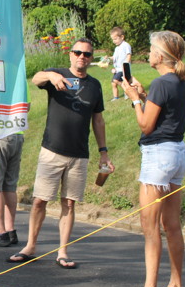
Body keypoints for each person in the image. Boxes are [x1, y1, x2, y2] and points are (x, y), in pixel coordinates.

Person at [7, 38, 112, 268]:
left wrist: (103, 152)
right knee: (39, 201)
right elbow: (36, 78)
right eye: (78, 52)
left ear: (91, 58)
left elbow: (98, 120)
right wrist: (51, 76)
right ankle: (30, 246)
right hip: (52, 150)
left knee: (69, 203)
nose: (82, 57)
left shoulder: (94, 86)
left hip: (79, 154)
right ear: (71, 54)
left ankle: (63, 251)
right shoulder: (58, 74)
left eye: (87, 54)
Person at [117, 30, 185, 287]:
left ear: (160, 56)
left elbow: (146, 125)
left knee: (150, 227)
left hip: (158, 155)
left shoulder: (162, 82)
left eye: (150, 50)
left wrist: (135, 99)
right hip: (177, 152)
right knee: (172, 225)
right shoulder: (183, 80)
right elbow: (165, 112)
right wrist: (144, 95)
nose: (148, 54)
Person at [110, 26, 131, 101]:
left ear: (122, 37)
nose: (114, 41)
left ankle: (128, 91)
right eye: (113, 39)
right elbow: (114, 57)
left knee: (115, 80)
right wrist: (108, 58)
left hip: (123, 69)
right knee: (113, 83)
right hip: (117, 69)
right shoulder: (117, 48)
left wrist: (126, 65)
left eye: (115, 39)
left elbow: (129, 55)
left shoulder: (126, 45)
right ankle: (116, 97)